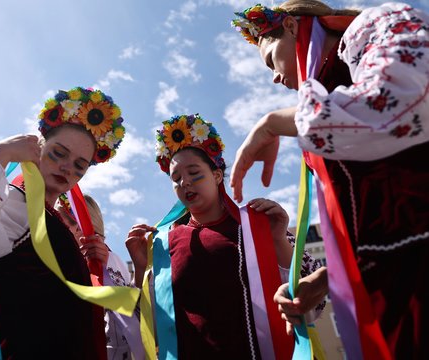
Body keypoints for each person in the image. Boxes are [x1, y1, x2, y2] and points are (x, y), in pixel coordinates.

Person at [231, 1, 429, 357]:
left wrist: (272, 122)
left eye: (269, 59)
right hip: (392, 289)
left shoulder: (377, 23)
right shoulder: (326, 105)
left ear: (291, 27)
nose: (274, 77)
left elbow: (401, 98)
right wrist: (325, 280)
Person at [0, 86, 127, 359]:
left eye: (79, 165)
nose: (67, 168)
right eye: (58, 153)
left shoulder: (47, 215)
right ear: (36, 149)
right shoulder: (16, 204)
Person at [125, 114, 324, 359]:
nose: (185, 182)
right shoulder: (164, 243)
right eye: (175, 179)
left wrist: (278, 239)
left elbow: (314, 305)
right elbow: (149, 329)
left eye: (194, 173)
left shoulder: (256, 225)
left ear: (217, 175)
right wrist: (141, 268)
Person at [57, 194, 139, 360]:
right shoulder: (80, 260)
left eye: (58, 221)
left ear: (78, 227)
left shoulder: (103, 261)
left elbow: (117, 330)